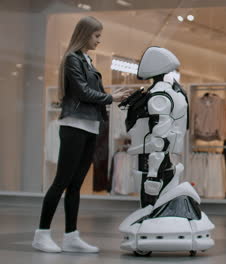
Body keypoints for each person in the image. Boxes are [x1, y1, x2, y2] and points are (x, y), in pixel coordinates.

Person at [32, 16, 131, 253]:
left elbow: (91, 91)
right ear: (85, 34)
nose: (99, 40)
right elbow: (82, 91)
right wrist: (112, 97)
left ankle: (71, 236)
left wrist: (112, 96)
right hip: (74, 125)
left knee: (75, 185)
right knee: (61, 182)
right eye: (96, 35)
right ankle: (41, 234)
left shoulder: (86, 60)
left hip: (90, 126)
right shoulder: (72, 59)